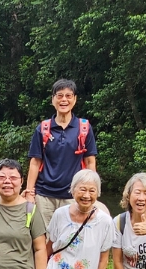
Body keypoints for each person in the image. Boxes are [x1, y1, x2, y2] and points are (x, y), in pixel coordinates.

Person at [23, 78, 97, 229]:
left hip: (73, 195)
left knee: (71, 238)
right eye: (60, 95)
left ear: (75, 99)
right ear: (53, 100)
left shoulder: (84, 128)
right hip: (44, 195)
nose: (64, 99)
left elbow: (90, 162)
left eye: (69, 96)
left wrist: (91, 190)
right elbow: (35, 162)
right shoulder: (43, 128)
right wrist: (30, 193)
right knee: (44, 238)